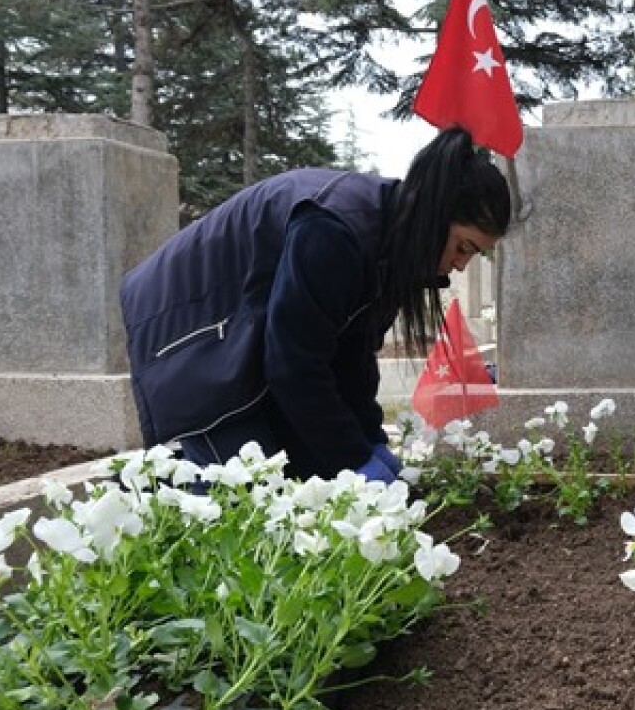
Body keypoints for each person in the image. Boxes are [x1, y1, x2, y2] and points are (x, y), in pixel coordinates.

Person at [120, 127, 509, 483]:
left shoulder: (392, 244)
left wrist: (369, 439)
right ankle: (132, 498)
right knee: (248, 494)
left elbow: (350, 353)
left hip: (249, 339)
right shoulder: (335, 231)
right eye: (463, 247)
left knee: (304, 479)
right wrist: (354, 457)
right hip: (194, 334)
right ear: (436, 217)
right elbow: (294, 362)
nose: (460, 265)